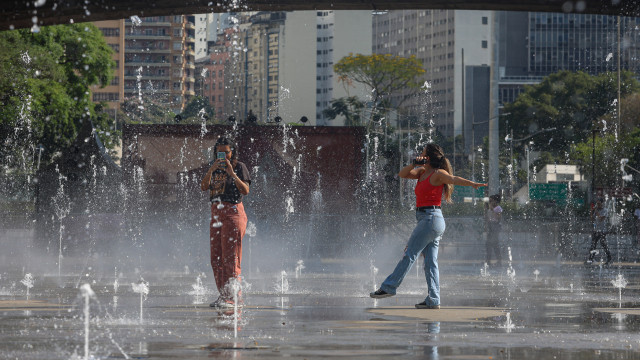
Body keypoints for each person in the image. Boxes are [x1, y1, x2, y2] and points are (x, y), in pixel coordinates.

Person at [370, 143, 486, 309]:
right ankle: (434, 300)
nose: (420, 155)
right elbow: (402, 174)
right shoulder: (421, 172)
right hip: (428, 220)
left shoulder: (438, 174)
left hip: (431, 218)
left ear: (429, 157)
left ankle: (389, 287)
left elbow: (453, 179)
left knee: (409, 253)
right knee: (431, 262)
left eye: (423, 154)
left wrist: (472, 184)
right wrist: (414, 164)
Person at [200, 137, 251, 309]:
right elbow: (204, 187)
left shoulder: (238, 166)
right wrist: (211, 170)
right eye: (219, 152)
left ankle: (234, 297)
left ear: (232, 152)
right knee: (216, 258)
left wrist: (232, 173)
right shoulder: (213, 168)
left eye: (226, 152)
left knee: (231, 258)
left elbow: (245, 190)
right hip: (216, 213)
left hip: (232, 213)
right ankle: (223, 295)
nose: (223, 156)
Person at [586, 199, 612, 265]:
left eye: (599, 204)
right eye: (597, 204)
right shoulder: (596, 210)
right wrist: (591, 212)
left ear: (602, 204)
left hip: (603, 230)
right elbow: (592, 219)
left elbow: (601, 219)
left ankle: (609, 258)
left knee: (603, 243)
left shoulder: (605, 210)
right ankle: (590, 259)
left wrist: (596, 211)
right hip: (596, 230)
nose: (598, 205)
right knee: (593, 244)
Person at [485, 194, 503, 267]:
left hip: (495, 227)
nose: (490, 202)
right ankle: (488, 261)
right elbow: (488, 218)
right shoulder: (490, 208)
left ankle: (499, 261)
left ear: (495, 201)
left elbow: (498, 218)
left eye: (491, 200)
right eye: (489, 200)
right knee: (488, 245)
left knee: (495, 245)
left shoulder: (498, 208)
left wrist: (492, 210)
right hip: (490, 227)